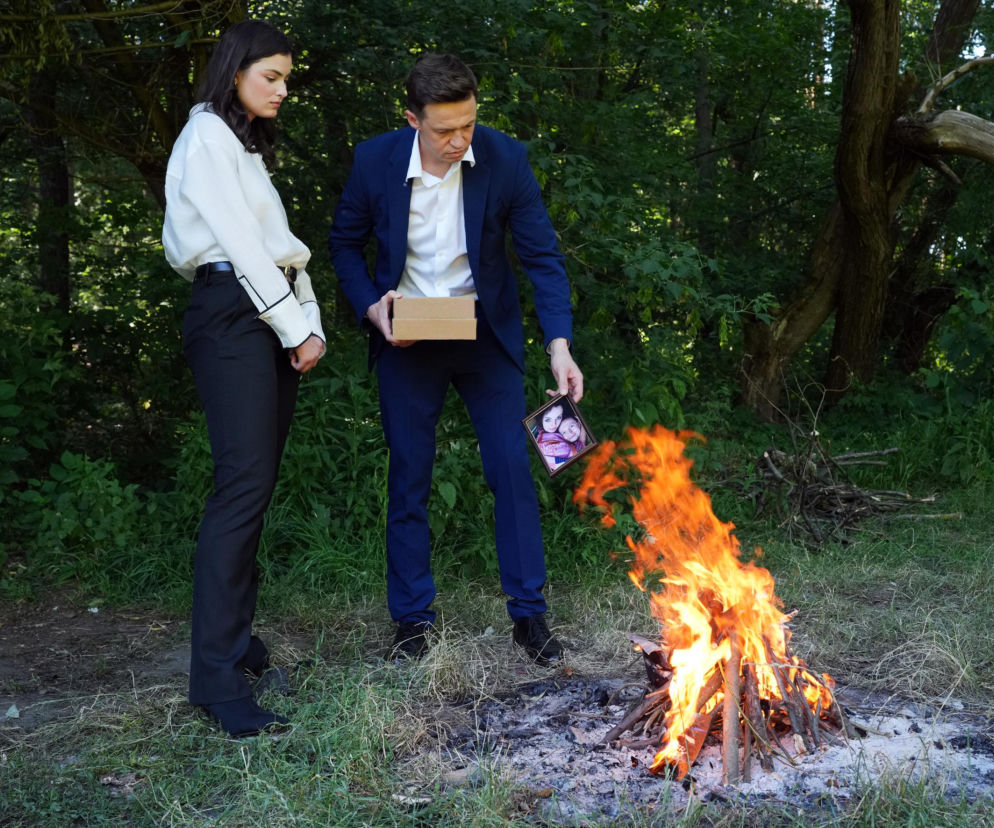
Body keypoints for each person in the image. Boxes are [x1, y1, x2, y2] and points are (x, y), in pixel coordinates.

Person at [328, 53, 583, 664]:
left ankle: (529, 617)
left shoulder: (505, 158)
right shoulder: (373, 160)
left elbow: (542, 258)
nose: (459, 140)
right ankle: (412, 621)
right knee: (409, 477)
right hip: (408, 340)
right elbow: (343, 245)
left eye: (467, 124)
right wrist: (373, 309)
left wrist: (559, 346)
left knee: (511, 470)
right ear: (412, 118)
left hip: (484, 338)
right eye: (444, 129)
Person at [162, 20, 325, 737]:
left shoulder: (239, 145)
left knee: (252, 489)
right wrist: (297, 328)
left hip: (262, 312)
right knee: (241, 491)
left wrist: (304, 320)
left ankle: (238, 646)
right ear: (233, 72)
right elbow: (237, 247)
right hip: (233, 315)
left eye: (287, 77)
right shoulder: (205, 138)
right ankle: (218, 684)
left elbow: (283, 251)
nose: (284, 90)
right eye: (272, 77)